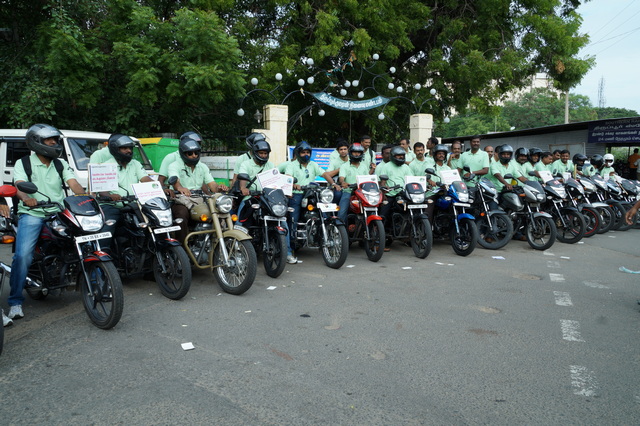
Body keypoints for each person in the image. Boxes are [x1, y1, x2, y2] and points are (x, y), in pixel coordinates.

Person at [5, 124, 85, 325]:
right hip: (32, 213)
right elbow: (19, 186)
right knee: (23, 256)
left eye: (55, 140)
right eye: (50, 140)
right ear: (37, 143)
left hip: (57, 211)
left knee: (83, 239)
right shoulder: (23, 163)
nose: (54, 143)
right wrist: (26, 198)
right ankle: (15, 301)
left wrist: (83, 194)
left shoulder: (60, 164)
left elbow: (73, 183)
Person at [95, 134, 153, 250]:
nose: (128, 151)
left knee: (153, 222)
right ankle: (102, 257)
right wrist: (110, 196)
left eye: (130, 148)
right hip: (112, 205)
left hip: (133, 204)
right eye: (124, 148)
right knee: (107, 228)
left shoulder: (135, 164)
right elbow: (101, 190)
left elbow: (145, 179)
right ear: (115, 149)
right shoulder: (106, 166)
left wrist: (157, 187)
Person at [168, 133, 227, 244]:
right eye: (190, 153)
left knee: (219, 212)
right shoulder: (174, 165)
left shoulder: (202, 166)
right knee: (181, 215)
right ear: (183, 153)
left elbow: (212, 185)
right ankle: (183, 249)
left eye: (196, 152)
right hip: (181, 199)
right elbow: (175, 181)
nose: (194, 155)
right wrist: (180, 187)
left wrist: (219, 188)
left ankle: (215, 243)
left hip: (200, 199)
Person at [283, 141, 324, 257]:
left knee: (324, 213)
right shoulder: (292, 165)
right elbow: (288, 177)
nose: (306, 154)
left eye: (307, 152)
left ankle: (325, 237)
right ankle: (289, 250)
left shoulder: (313, 164)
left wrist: (333, 184)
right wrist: (293, 184)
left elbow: (324, 174)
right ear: (298, 153)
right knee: (293, 220)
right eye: (303, 152)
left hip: (312, 193)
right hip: (297, 194)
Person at [379, 146, 413, 250]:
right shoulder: (386, 166)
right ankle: (379, 241)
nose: (400, 157)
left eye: (402, 156)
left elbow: (411, 180)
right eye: (398, 155)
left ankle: (408, 237)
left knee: (411, 211)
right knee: (383, 216)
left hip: (403, 194)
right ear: (393, 156)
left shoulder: (406, 167)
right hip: (390, 194)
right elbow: (383, 182)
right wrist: (384, 189)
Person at [336, 143, 369, 224]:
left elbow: (368, 179)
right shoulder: (345, 166)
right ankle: (338, 229)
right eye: (354, 152)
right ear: (351, 153)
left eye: (359, 152)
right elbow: (341, 178)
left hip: (362, 193)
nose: (357, 154)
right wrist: (343, 182)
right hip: (349, 191)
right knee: (342, 211)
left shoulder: (364, 166)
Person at [323, 138, 350, 203]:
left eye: (345, 149)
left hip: (351, 185)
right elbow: (327, 175)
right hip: (339, 186)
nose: (343, 151)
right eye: (341, 149)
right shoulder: (334, 162)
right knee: (337, 195)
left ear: (348, 150)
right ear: (338, 151)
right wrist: (340, 169)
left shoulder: (352, 160)